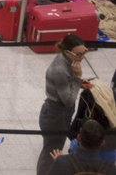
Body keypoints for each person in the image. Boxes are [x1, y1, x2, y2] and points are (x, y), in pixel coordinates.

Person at [37, 35, 88, 175]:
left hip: (60, 113)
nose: (82, 56)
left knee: (54, 147)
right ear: (67, 52)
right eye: (79, 54)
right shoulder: (60, 69)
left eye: (84, 52)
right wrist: (78, 78)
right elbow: (69, 100)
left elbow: (68, 86)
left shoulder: (68, 61)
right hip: (56, 115)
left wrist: (81, 83)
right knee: (51, 151)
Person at [49, 119, 116, 175]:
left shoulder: (62, 163)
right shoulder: (111, 170)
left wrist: (60, 163)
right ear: (102, 143)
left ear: (78, 137)